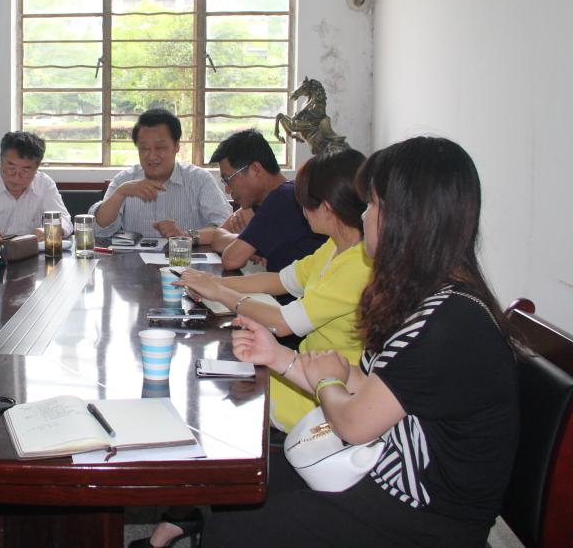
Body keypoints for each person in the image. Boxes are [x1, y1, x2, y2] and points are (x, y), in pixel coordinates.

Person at [199, 137, 519, 547]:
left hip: (423, 513)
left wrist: (327, 380)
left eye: (373, 205)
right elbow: (372, 388)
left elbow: (352, 423)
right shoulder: (423, 297)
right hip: (377, 467)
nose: (363, 215)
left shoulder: (451, 321)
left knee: (236, 528)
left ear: (407, 218)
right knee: (232, 486)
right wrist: (276, 356)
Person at [178, 148, 371, 431]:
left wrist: (220, 293)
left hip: (328, 392)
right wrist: (210, 283)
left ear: (328, 208)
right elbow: (278, 280)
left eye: (305, 204)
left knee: (218, 404)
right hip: (304, 370)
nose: (302, 211)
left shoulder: (358, 266)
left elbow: (283, 323)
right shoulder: (335, 245)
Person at [91, 109, 232, 240]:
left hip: (185, 258)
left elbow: (225, 228)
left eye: (160, 148)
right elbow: (99, 230)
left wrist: (185, 235)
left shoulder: (200, 180)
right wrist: (120, 193)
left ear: (176, 146)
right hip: (133, 259)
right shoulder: (124, 181)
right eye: (144, 148)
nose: (152, 156)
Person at [207, 129, 325, 272]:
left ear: (255, 169)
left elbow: (231, 260)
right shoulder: (264, 200)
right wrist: (248, 243)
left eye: (228, 179)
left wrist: (247, 245)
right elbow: (217, 238)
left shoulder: (283, 199)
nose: (227, 189)